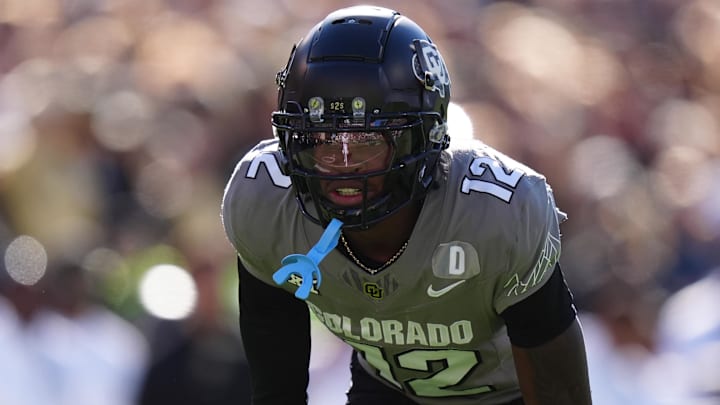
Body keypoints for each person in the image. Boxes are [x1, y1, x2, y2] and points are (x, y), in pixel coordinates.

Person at [221, 5, 592, 405]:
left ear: (422, 137)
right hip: (389, 391)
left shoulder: (497, 213)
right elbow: (277, 387)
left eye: (366, 141)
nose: (343, 164)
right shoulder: (265, 201)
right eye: (321, 139)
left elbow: (560, 390)